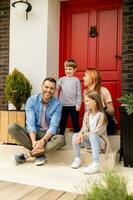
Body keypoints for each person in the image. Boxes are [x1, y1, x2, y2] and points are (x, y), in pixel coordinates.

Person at [8, 77, 65, 166]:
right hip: (34, 132)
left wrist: (43, 141)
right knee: (12, 127)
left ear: (55, 90)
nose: (48, 90)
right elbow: (30, 124)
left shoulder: (57, 104)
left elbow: (53, 126)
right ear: (42, 87)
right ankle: (40, 154)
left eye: (52, 88)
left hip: (47, 135)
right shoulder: (31, 100)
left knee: (61, 140)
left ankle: (27, 155)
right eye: (46, 87)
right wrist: (34, 142)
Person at [71, 92, 110, 174]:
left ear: (95, 101)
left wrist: (84, 135)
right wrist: (80, 135)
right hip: (90, 142)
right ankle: (77, 158)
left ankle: (96, 163)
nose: (85, 103)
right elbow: (84, 128)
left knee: (93, 135)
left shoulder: (101, 115)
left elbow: (98, 131)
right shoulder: (87, 114)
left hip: (100, 143)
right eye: (85, 101)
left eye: (87, 101)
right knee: (75, 135)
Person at [83, 68, 117, 135]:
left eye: (85, 76)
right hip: (93, 123)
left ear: (93, 78)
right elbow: (86, 111)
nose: (83, 78)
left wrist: (101, 106)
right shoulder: (85, 92)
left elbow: (112, 111)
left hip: (106, 123)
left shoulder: (104, 91)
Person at [57, 59, 82, 135]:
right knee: (62, 121)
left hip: (73, 105)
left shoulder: (76, 80)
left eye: (70, 69)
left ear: (75, 70)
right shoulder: (62, 79)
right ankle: (61, 135)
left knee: (75, 121)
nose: (68, 71)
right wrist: (57, 82)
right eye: (66, 69)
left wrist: (78, 104)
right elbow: (57, 88)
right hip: (63, 105)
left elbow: (79, 93)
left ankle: (77, 136)